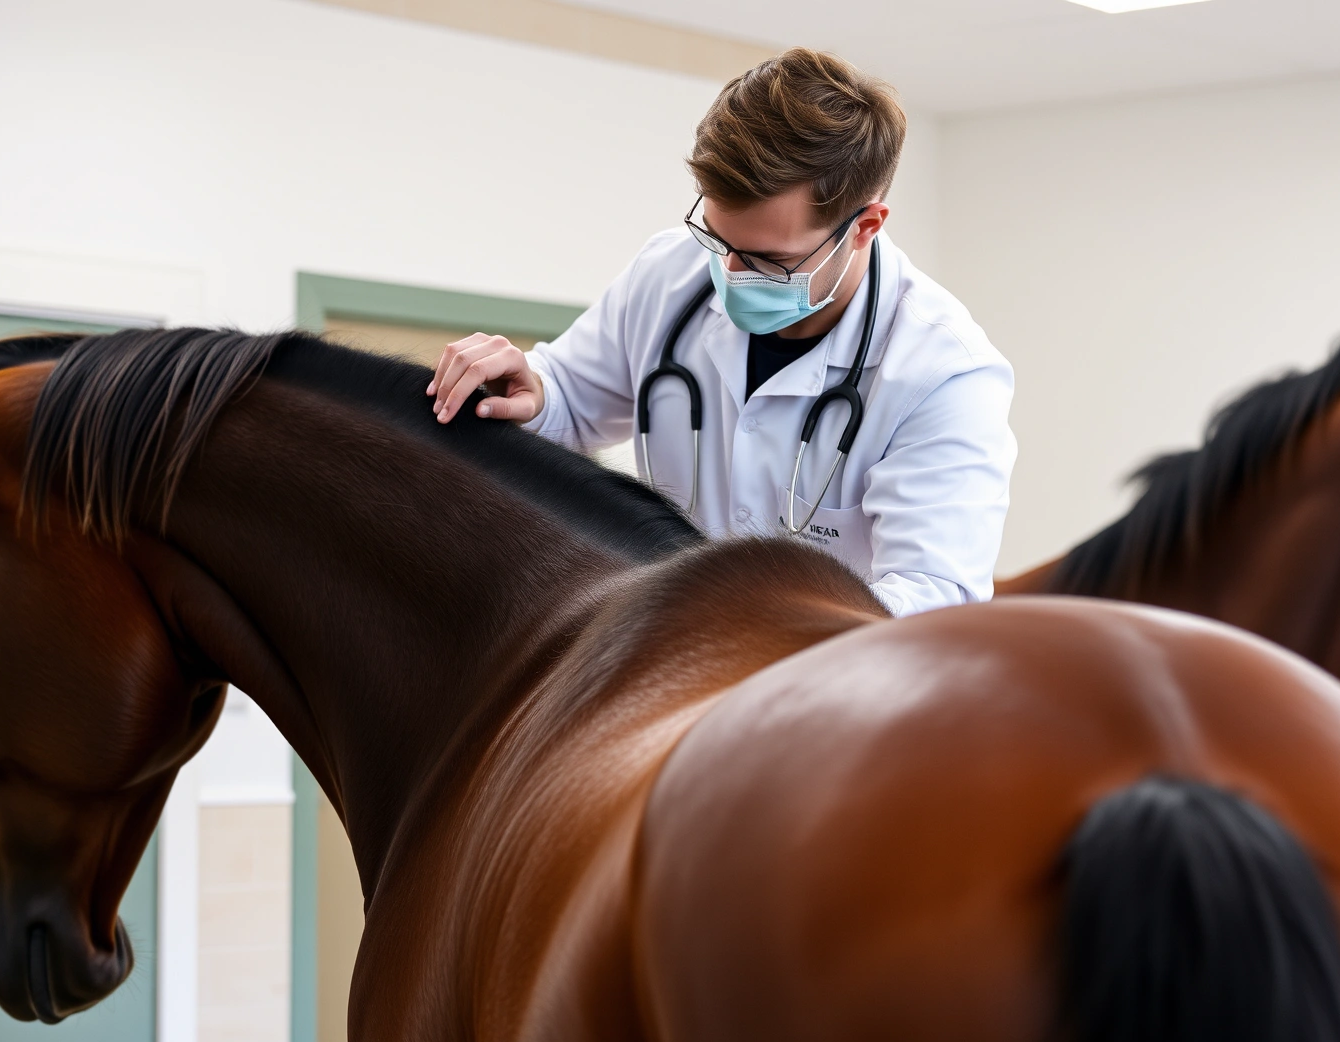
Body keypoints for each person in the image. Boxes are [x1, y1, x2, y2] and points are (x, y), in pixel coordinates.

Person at [427, 48, 1015, 617]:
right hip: (674, 666)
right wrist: (532, 389)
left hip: (836, 693)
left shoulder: (943, 373)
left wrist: (754, 630)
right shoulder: (668, 273)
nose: (730, 274)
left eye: (767, 260)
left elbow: (933, 604)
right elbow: (571, 401)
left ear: (864, 225)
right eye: (716, 239)